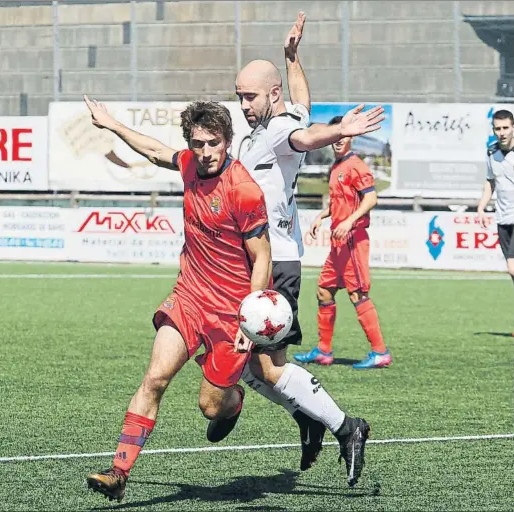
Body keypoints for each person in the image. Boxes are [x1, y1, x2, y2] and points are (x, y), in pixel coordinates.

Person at [207, 12, 383, 482]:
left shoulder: (282, 130)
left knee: (265, 365)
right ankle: (310, 417)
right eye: (239, 95)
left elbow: (307, 133)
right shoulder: (268, 125)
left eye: (250, 96)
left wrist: (341, 128)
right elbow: (303, 103)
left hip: (275, 260)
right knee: (243, 363)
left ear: (271, 94)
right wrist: (291, 57)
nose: (242, 104)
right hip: (250, 261)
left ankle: (346, 426)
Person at [83, 97, 272, 502]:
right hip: (188, 297)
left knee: (210, 407)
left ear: (228, 141)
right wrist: (112, 123)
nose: (205, 153)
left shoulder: (244, 191)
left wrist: (250, 321)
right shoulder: (188, 164)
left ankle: (233, 402)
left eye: (213, 143)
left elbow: (263, 257)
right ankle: (119, 472)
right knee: (154, 379)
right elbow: (153, 149)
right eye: (198, 143)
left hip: (230, 313)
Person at [293, 116, 392, 369]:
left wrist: (349, 221)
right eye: (336, 136)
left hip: (353, 240)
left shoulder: (356, 165)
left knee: (358, 293)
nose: (340, 141)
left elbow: (370, 199)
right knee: (324, 291)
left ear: (352, 137)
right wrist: (322, 215)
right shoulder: (336, 166)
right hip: (338, 243)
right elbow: (340, 201)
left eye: (344, 136)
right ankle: (324, 351)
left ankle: (380, 352)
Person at [477, 109, 514, 331]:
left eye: (505, 128)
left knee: (512, 269)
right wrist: (482, 206)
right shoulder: (492, 154)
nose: (501, 133)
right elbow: (490, 182)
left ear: (513, 128)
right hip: (503, 219)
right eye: (498, 129)